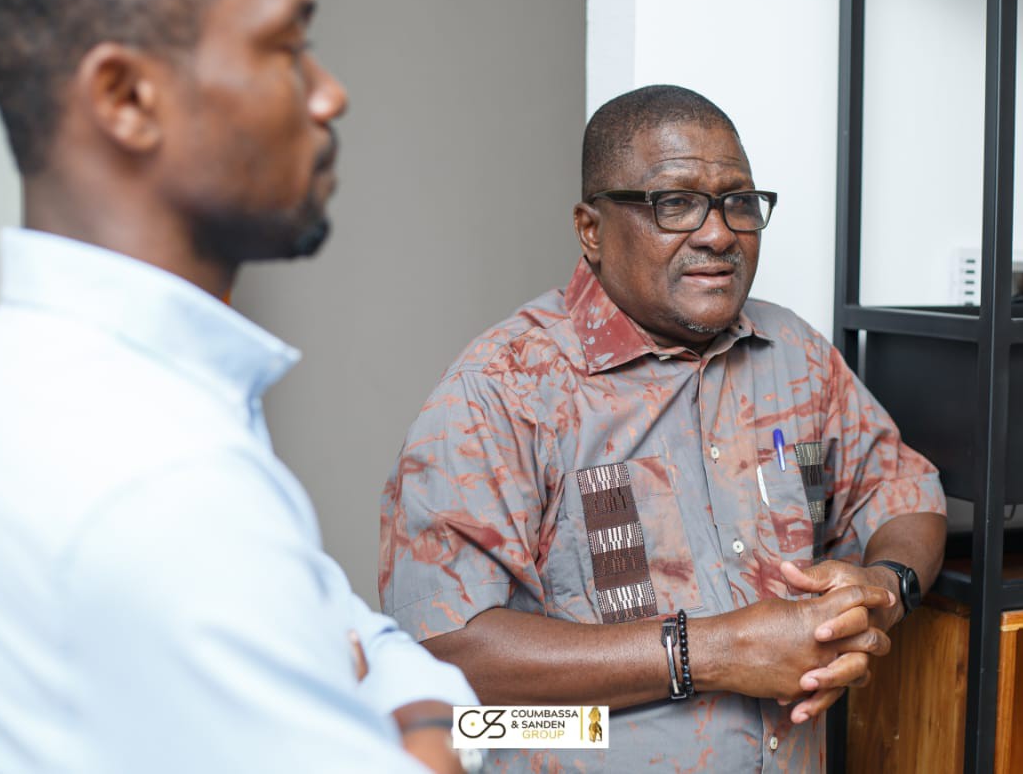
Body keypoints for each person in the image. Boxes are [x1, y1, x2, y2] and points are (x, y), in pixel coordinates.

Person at [0, 0, 475, 772]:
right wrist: (427, 726)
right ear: (126, 98)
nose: (329, 95)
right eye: (288, 48)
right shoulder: (154, 479)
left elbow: (364, 636)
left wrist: (395, 705)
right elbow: (431, 703)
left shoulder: (47, 379)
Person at [380, 85, 947, 772]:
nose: (719, 233)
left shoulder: (795, 357)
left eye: (739, 202)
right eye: (675, 203)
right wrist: (709, 652)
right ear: (591, 229)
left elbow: (904, 492)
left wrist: (881, 592)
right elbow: (444, 651)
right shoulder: (503, 389)